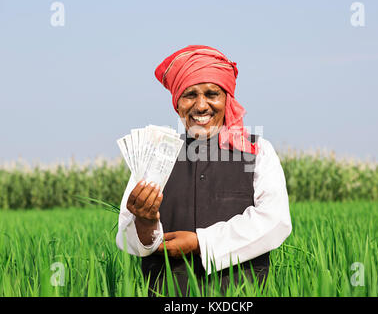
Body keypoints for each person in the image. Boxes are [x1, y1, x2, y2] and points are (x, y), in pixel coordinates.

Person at [115, 45, 292, 296]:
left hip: (241, 295)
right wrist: (145, 224)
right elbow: (126, 236)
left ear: (227, 98)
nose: (201, 105)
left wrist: (201, 243)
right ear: (177, 104)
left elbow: (276, 221)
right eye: (189, 95)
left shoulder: (258, 150)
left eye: (212, 94)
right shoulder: (154, 154)